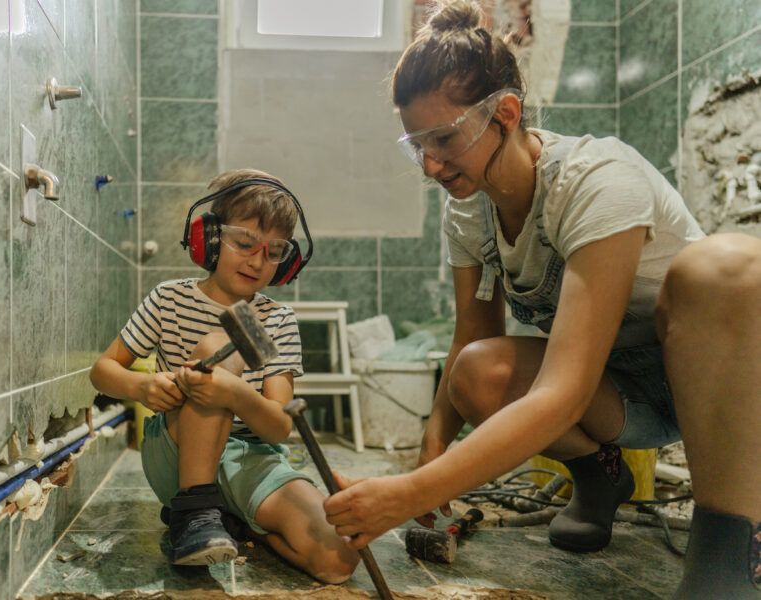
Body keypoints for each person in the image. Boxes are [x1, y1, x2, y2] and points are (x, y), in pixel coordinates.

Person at [322, 2, 760, 598]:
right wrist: (426, 464)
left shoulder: (597, 181)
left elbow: (564, 390)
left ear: (504, 114)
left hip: (712, 392)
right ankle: (599, 477)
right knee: (478, 368)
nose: (429, 164)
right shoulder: (468, 206)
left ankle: (730, 542)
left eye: (444, 138)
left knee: (726, 266)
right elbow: (468, 341)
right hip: (619, 394)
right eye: (416, 144)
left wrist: (408, 496)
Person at [90, 169, 358, 582]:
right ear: (209, 238)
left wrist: (233, 393)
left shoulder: (278, 319)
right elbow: (102, 371)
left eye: (273, 252)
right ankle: (195, 511)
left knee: (339, 559)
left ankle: (241, 524)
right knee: (217, 345)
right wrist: (141, 386)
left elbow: (276, 427)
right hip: (176, 453)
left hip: (251, 457)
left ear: (287, 262)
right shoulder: (168, 299)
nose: (256, 260)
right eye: (244, 243)